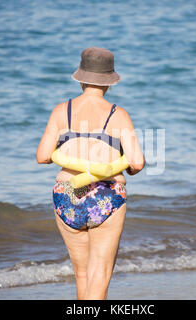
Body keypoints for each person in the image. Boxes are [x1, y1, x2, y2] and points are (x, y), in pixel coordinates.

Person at [36, 47, 145, 300]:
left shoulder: (62, 110)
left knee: (82, 274)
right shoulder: (118, 115)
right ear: (109, 82)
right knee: (100, 273)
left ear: (82, 78)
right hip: (106, 196)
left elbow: (42, 156)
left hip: (67, 194)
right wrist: (119, 164)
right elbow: (137, 163)